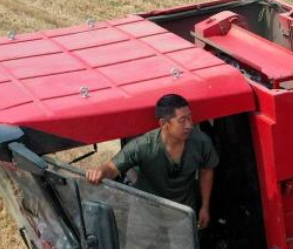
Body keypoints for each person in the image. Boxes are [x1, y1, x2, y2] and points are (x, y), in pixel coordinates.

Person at [87, 93, 218, 229]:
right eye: (182, 120)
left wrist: (205, 206)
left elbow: (206, 170)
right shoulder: (144, 146)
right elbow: (112, 168)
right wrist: (100, 172)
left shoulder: (201, 142)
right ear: (163, 124)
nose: (189, 125)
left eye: (190, 118)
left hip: (181, 214)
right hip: (146, 214)